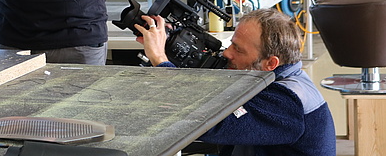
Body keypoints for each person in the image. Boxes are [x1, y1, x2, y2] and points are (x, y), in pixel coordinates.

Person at [136, 8, 336, 156]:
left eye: (238, 49)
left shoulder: (286, 102)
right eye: (232, 43)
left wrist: (160, 60)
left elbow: (209, 123)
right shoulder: (272, 79)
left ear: (270, 63)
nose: (227, 53)